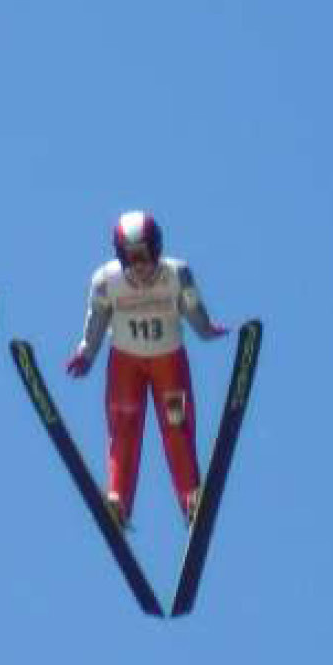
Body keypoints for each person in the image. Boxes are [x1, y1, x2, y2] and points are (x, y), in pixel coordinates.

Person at [65, 210, 230, 528]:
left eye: (144, 254)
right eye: (131, 256)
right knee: (124, 427)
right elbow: (95, 321)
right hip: (125, 365)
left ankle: (190, 497)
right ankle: (119, 501)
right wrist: (86, 353)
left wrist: (207, 329)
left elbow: (193, 308)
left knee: (176, 426)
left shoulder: (176, 274)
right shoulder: (106, 281)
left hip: (168, 364)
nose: (140, 265)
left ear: (157, 249)